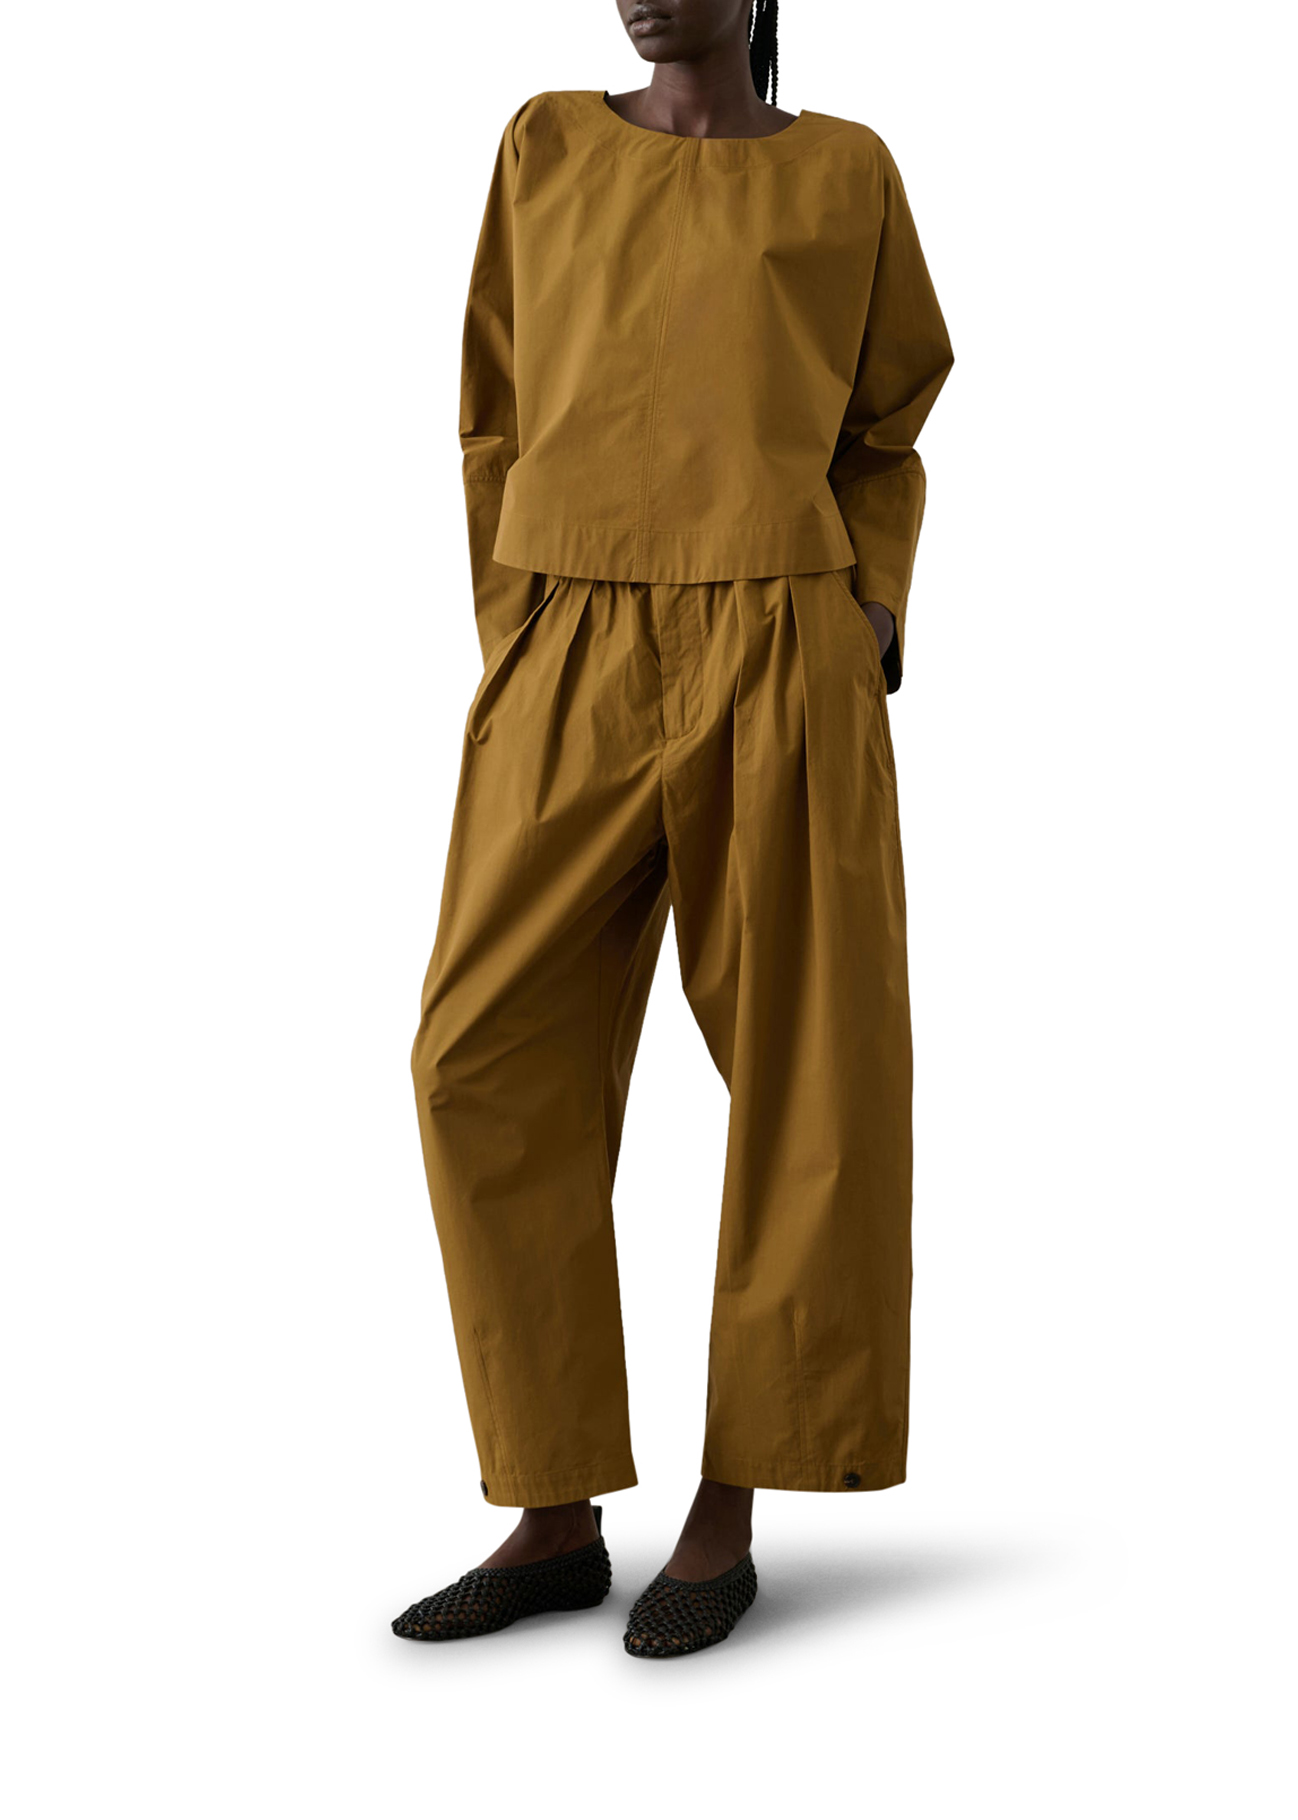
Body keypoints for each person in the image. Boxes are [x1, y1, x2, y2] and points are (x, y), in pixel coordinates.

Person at [393, 0, 952, 1658]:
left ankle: (730, 1504)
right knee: (477, 1054)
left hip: (780, 638)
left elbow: (886, 421)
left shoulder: (844, 172)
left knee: (806, 1072)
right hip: (567, 632)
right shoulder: (544, 144)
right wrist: (517, 628)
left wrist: (866, 611)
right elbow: (492, 403)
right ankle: (553, 1507)